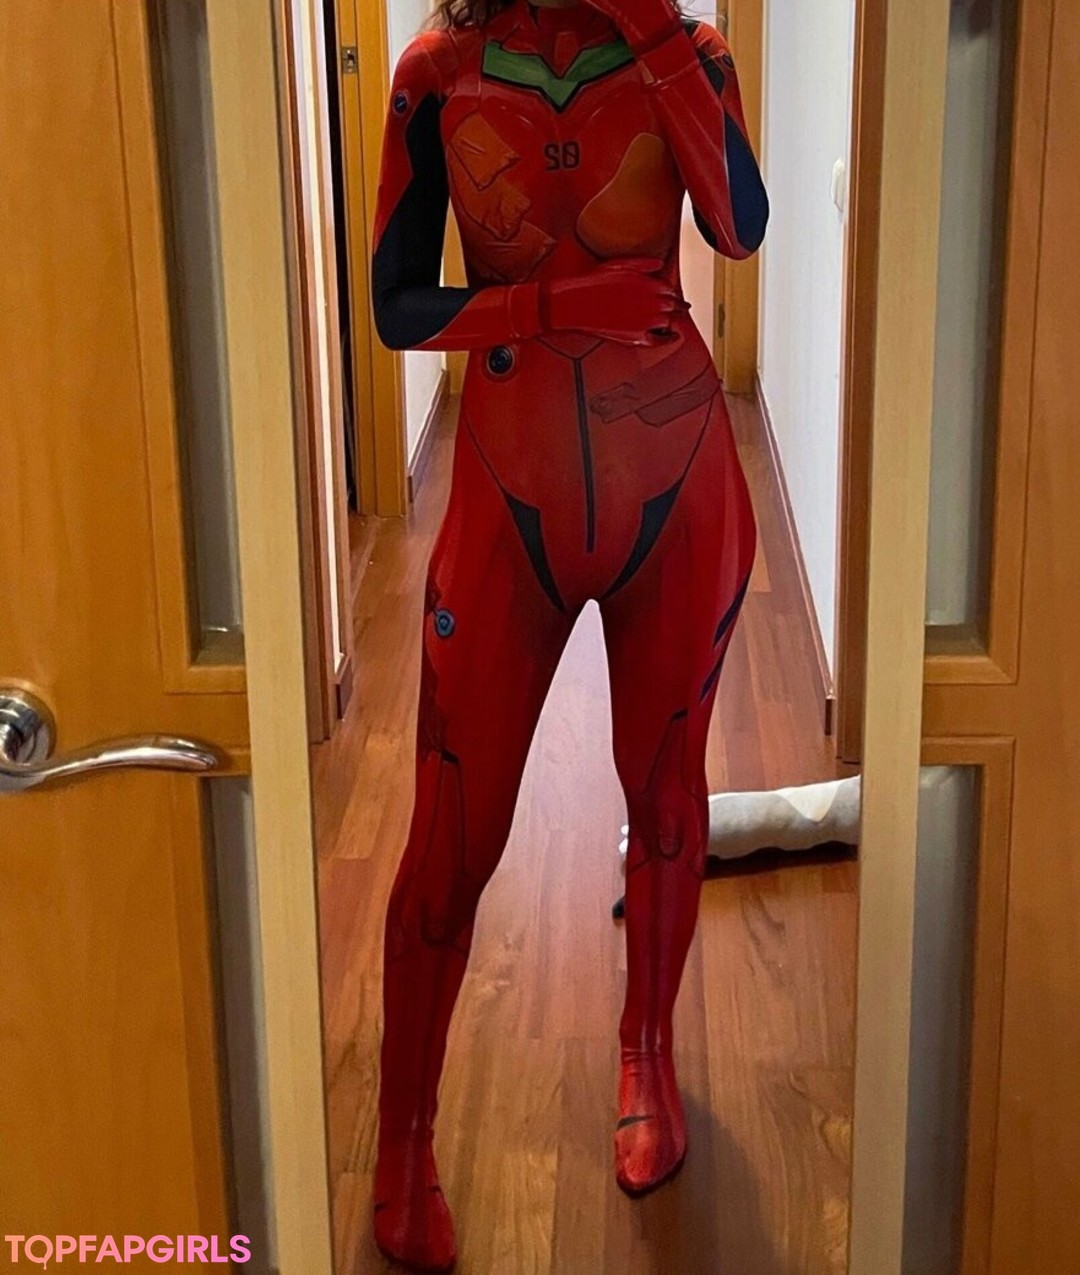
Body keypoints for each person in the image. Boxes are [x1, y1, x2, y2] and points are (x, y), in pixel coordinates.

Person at [370, 0, 767, 1266]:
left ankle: (647, 1055)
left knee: (668, 801)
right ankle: (401, 1135)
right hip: (508, 500)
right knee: (451, 840)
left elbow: (739, 228)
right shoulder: (437, 72)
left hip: (678, 494)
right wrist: (551, 307)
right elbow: (397, 307)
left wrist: (653, 36)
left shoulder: (691, 56)